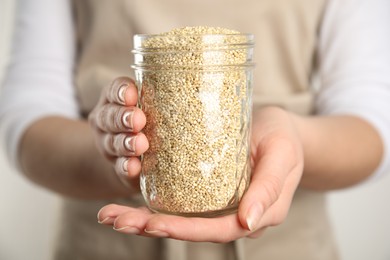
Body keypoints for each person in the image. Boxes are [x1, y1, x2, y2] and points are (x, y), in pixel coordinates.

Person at [1, 0, 390, 259]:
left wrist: (292, 139)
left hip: (288, 247)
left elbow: (372, 120)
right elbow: (28, 114)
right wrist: (116, 159)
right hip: (106, 243)